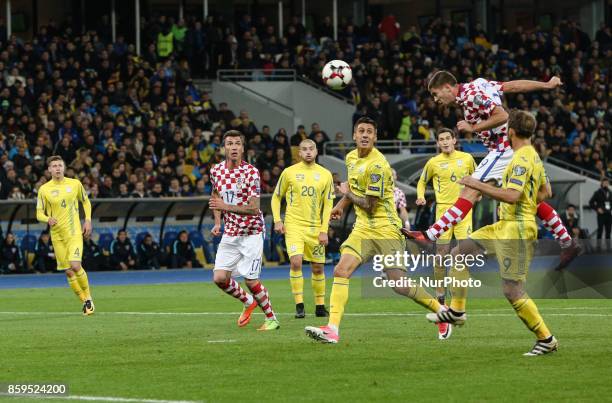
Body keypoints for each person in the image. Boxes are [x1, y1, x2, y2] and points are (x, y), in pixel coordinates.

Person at [406, 70, 581, 271]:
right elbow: (512, 86)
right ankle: (568, 243)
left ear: (448, 88)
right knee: (536, 197)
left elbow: (502, 115)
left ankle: (431, 235)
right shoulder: (479, 84)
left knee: (469, 190)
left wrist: (474, 128)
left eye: (436, 94)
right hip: (522, 147)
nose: (436, 99)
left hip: (504, 148)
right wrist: (546, 85)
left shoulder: (471, 95)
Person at [428, 110, 558, 356]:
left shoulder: (520, 159)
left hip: (517, 229)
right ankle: (457, 310)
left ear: (510, 132)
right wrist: (523, 201)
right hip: (505, 224)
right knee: (460, 251)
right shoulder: (533, 157)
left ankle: (546, 338)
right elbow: (545, 192)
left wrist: (477, 184)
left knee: (512, 291)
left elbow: (512, 195)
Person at [305, 117, 445, 344]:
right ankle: (332, 329)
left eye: (369, 132)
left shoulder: (377, 165)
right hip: (363, 228)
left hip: (386, 227)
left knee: (398, 283)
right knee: (341, 271)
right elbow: (352, 187)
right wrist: (341, 205)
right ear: (354, 135)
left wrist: (347, 195)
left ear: (375, 137)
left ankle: (441, 311)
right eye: (361, 131)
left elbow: (369, 204)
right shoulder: (351, 158)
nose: (365, 135)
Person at [209, 130, 280, 331]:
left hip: (252, 231)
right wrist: (217, 222)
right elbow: (215, 198)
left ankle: (272, 318)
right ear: (224, 148)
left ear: (242, 148)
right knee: (220, 278)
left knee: (251, 279)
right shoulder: (216, 171)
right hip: (231, 232)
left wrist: (225, 207)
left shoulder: (251, 172)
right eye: (229, 143)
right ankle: (249, 302)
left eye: (237, 144)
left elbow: (254, 208)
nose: (233, 147)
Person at [415, 128, 476, 340]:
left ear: (454, 140)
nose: (445, 142)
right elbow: (422, 181)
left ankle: (457, 299)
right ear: (438, 143)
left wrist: (477, 196)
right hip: (443, 211)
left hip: (464, 211)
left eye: (448, 138)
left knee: (463, 254)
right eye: (441, 139)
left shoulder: (467, 158)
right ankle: (441, 295)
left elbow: (477, 179)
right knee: (440, 254)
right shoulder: (433, 163)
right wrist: (421, 196)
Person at [272, 139, 334, 318]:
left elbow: (328, 204)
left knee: (317, 268)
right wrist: (278, 220)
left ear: (316, 152)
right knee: (296, 262)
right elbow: (276, 197)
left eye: (311, 149)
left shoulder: (325, 174)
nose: (308, 152)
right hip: (294, 225)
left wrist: (324, 230)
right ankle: (299, 305)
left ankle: (320, 306)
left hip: (315, 228)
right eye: (304, 149)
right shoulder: (289, 172)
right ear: (299, 153)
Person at [36, 156, 94, 315]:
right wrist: (48, 219)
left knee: (75, 266)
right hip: (57, 236)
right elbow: (39, 213)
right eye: (54, 166)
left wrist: (88, 221)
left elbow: (86, 202)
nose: (57, 168)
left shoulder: (75, 184)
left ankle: (89, 298)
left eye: (60, 165)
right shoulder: (44, 190)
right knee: (68, 271)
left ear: (64, 167)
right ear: (49, 169)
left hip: (74, 232)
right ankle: (84, 302)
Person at [589, 178, 611, 244]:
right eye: (604, 183)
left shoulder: (610, 192)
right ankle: (598, 247)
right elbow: (591, 202)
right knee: (600, 230)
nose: (606, 184)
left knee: (608, 231)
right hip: (601, 214)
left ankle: (608, 247)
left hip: (609, 214)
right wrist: (597, 209)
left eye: (607, 183)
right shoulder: (597, 192)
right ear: (601, 184)